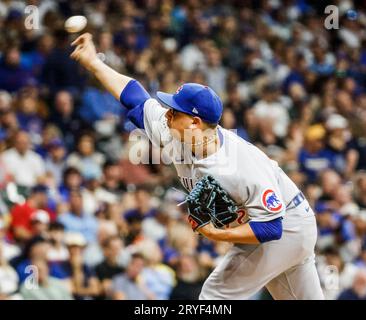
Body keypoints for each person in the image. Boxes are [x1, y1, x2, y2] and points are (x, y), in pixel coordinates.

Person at [70, 33, 324, 300]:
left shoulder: (237, 165)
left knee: (215, 296)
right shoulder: (173, 132)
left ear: (194, 122)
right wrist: (93, 63)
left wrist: (218, 234)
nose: (166, 114)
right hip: (287, 228)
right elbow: (135, 97)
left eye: (174, 111)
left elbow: (272, 227)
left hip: (287, 226)